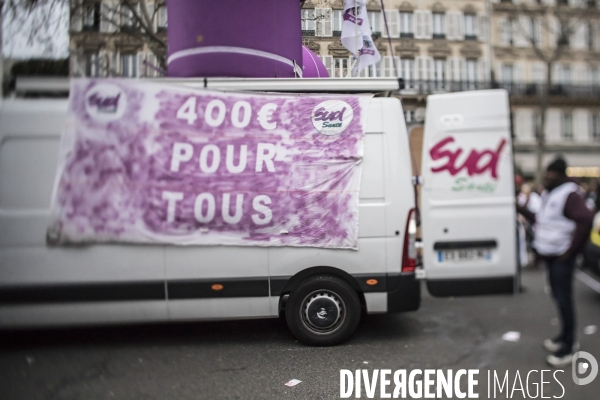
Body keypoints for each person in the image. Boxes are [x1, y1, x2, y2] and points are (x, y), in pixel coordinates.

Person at [517, 158, 594, 368]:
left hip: (562, 257)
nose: (544, 175)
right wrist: (519, 208)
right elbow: (542, 219)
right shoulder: (551, 192)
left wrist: (570, 251)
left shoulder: (569, 193)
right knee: (558, 296)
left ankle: (568, 346)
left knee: (563, 298)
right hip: (552, 256)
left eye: (548, 173)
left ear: (558, 174)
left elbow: (585, 219)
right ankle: (564, 336)